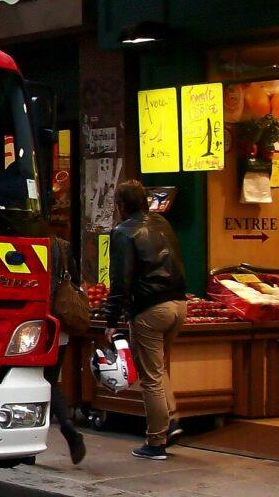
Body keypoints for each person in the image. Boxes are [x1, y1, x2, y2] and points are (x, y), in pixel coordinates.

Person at [105, 179, 188, 461]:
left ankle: (156, 441)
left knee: (150, 377)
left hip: (150, 310)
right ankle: (171, 420)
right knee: (160, 368)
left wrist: (111, 320)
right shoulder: (162, 223)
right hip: (179, 304)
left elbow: (120, 280)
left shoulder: (123, 232)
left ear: (121, 205)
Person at [45, 235, 86, 464]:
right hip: (61, 319)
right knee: (50, 380)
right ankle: (66, 424)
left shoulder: (33, 242)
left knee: (39, 381)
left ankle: (34, 443)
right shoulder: (64, 246)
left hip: (36, 320)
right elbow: (76, 280)